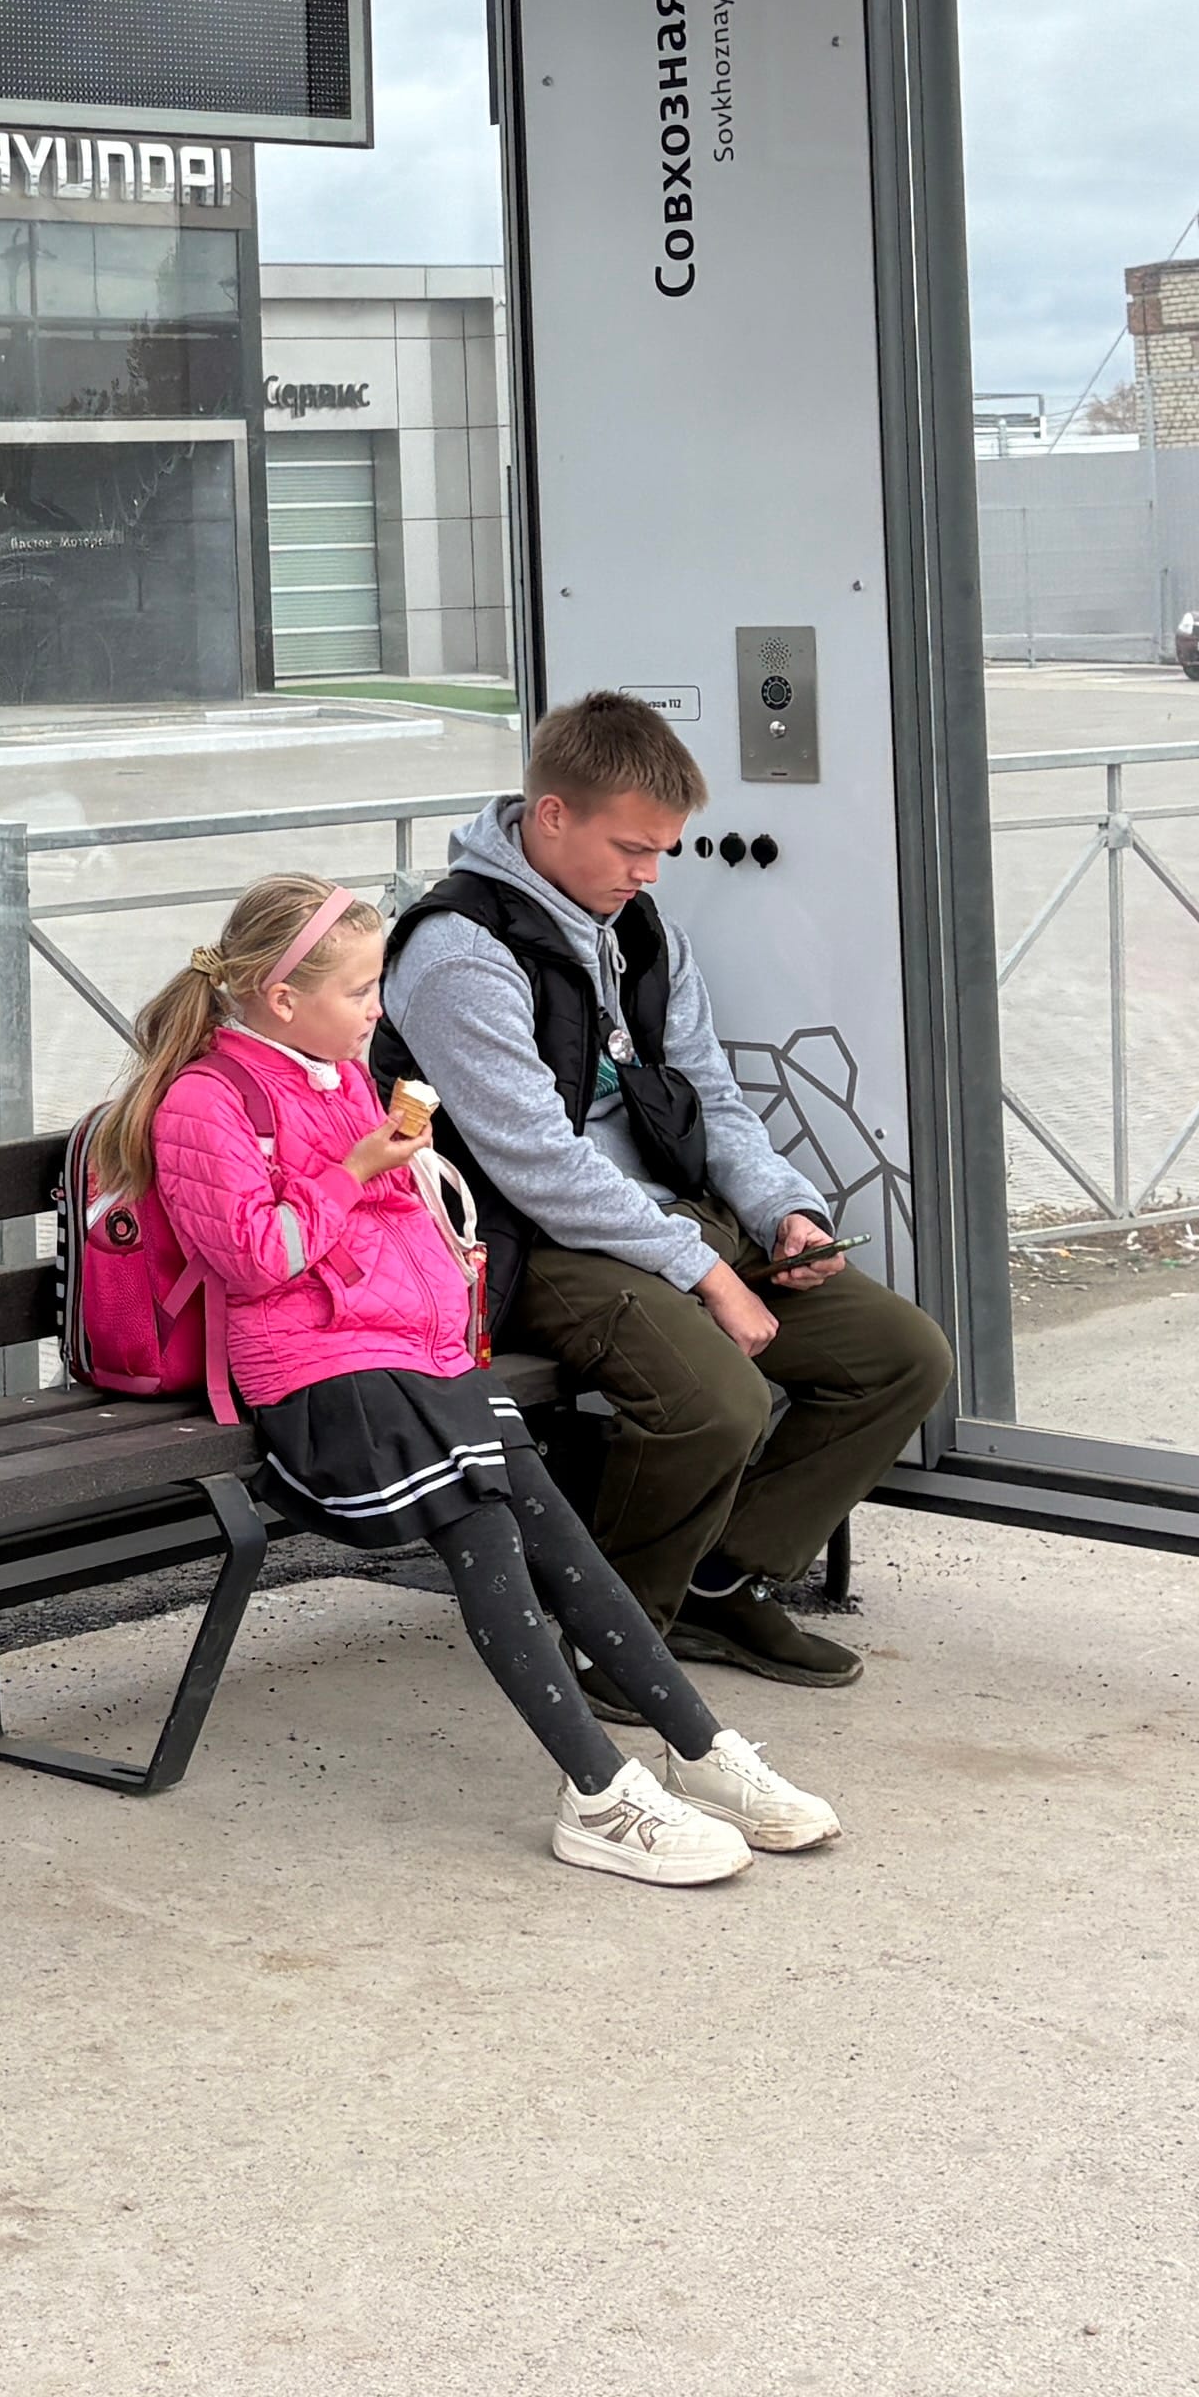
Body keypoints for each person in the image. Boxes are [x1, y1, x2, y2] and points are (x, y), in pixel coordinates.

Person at [84, 868, 842, 1888]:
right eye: (359, 991)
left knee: (549, 1524)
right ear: (281, 999)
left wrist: (397, 1170)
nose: (377, 1011)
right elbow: (259, 1261)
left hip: (407, 1359)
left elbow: (391, 1238)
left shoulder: (337, 1073)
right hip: (316, 1382)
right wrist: (359, 1168)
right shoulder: (204, 1102)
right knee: (485, 1527)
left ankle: (701, 1749)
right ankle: (598, 1793)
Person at [378, 693, 958, 1699]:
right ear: (551, 815)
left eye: (663, 851)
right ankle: (618, 1641)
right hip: (526, 1245)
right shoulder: (457, 953)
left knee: (900, 1356)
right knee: (713, 1405)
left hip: (662, 1220)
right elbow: (538, 1166)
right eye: (632, 848)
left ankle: (716, 1584)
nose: (649, 873)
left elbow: (715, 1101)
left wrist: (785, 1211)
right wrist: (706, 1273)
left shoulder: (644, 935)